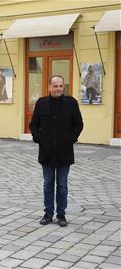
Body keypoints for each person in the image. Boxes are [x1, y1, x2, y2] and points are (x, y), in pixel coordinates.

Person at [29, 75, 83, 227]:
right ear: (49, 87)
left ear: (63, 87)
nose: (58, 88)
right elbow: (33, 124)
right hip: (46, 151)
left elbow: (78, 124)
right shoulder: (41, 103)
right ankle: (48, 213)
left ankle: (61, 214)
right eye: (55, 86)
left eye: (60, 86)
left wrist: (70, 139)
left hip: (64, 152)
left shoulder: (71, 103)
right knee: (48, 183)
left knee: (62, 184)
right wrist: (39, 138)